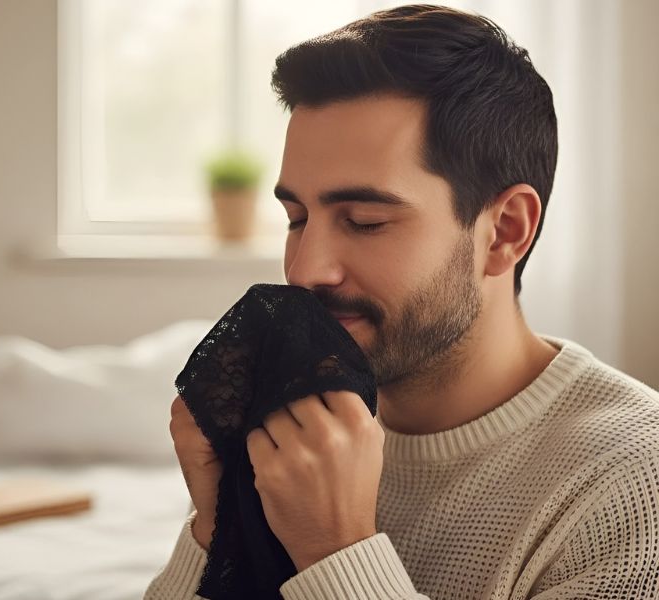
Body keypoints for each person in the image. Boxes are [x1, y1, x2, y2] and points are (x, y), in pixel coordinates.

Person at [146, 5, 659, 599]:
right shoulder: (292, 429)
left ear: (505, 231)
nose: (306, 269)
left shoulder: (635, 484)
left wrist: (336, 551)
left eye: (365, 222)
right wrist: (218, 532)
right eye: (296, 219)